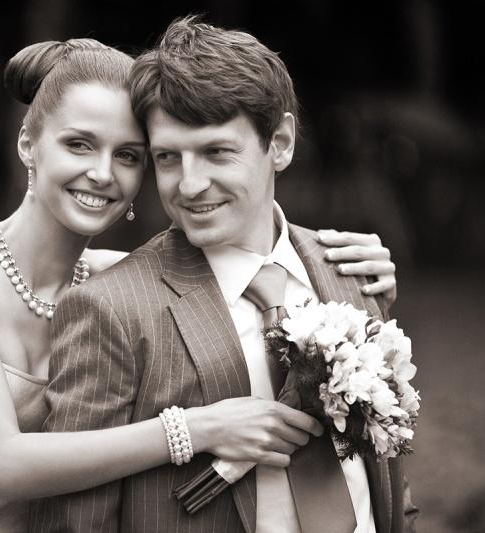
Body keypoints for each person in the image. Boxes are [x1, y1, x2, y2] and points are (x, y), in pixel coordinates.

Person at [0, 38, 401, 533]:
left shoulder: (116, 281)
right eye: (79, 144)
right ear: (28, 143)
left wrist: (348, 276)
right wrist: (197, 428)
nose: (103, 174)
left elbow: (244, 268)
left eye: (128, 155)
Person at [28, 17, 417, 533]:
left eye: (216, 152)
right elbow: (74, 520)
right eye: (168, 158)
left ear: (280, 142)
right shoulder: (111, 309)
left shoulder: (352, 272)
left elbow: (386, 466)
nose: (190, 185)